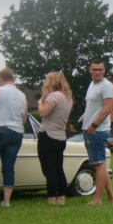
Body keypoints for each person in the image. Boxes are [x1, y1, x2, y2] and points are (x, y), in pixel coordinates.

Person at [81, 59, 113, 205]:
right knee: (99, 164)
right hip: (90, 128)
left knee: (99, 165)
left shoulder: (107, 86)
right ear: (90, 70)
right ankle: (111, 197)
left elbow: (107, 109)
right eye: (94, 69)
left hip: (98, 130)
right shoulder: (92, 84)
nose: (97, 72)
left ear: (104, 70)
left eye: (100, 70)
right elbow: (92, 107)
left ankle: (97, 199)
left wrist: (93, 125)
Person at [0, 68, 29, 207]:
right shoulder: (22, 96)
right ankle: (6, 201)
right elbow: (24, 119)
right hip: (16, 133)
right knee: (8, 167)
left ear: (1, 78)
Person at [37, 72, 74, 205]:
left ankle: (51, 198)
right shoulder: (68, 98)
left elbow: (43, 113)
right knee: (58, 168)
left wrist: (40, 102)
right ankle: (61, 198)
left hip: (48, 135)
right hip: (60, 137)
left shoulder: (53, 96)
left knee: (49, 169)